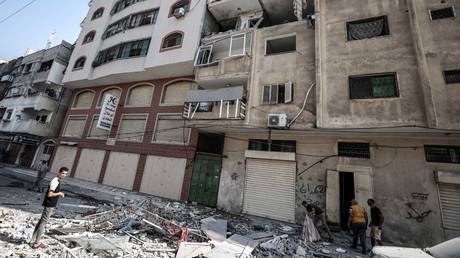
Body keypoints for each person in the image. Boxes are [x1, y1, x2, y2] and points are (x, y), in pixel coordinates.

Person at [30, 167, 68, 249]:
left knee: (41, 222)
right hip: (49, 205)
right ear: (59, 173)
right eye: (63, 173)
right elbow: (50, 194)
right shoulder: (55, 182)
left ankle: (33, 240)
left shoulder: (56, 181)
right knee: (43, 223)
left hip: (49, 204)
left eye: (65, 174)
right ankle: (37, 242)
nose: (64, 175)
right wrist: (59, 193)